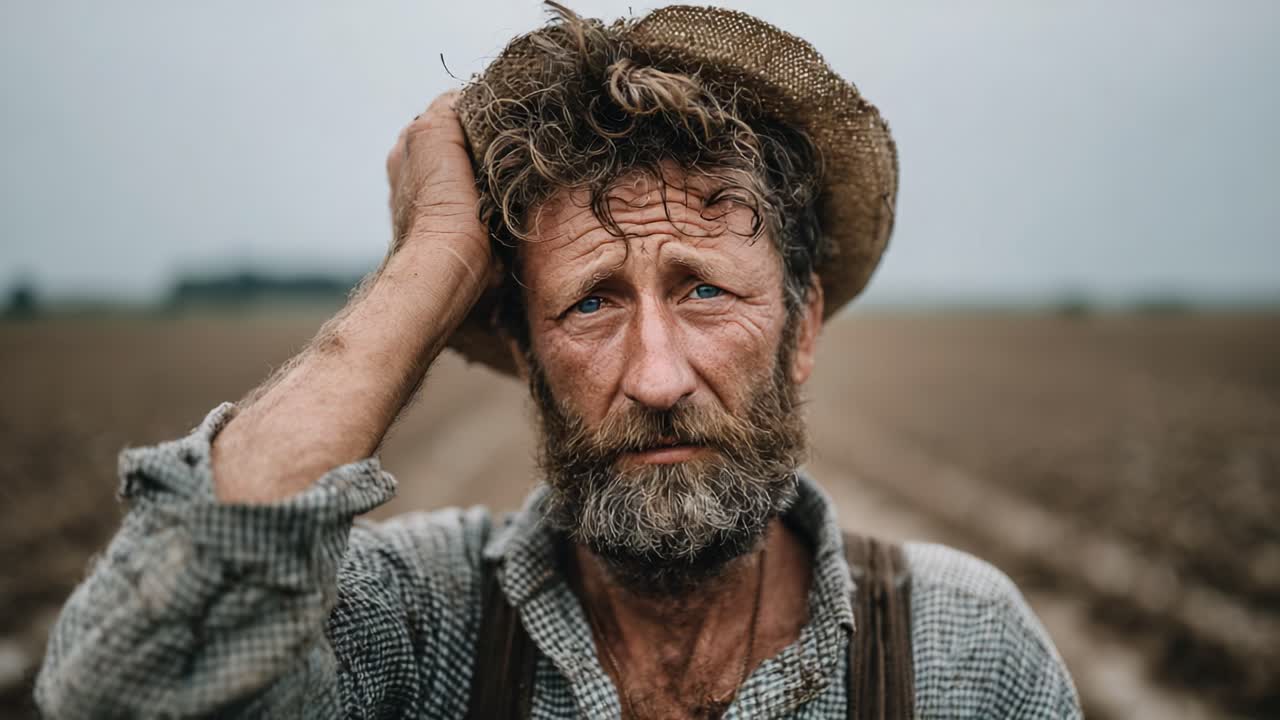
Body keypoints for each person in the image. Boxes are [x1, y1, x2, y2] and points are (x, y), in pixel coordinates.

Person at [36, 4, 1080, 718]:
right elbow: (123, 690)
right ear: (527, 356)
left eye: (702, 288)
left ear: (800, 327)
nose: (657, 377)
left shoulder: (960, 653)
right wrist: (431, 260)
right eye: (588, 303)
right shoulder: (412, 623)